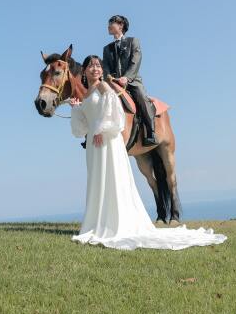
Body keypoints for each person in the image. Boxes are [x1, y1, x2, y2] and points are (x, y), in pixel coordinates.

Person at [68, 55, 226, 250]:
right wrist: (76, 108)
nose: (96, 68)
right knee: (98, 180)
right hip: (94, 144)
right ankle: (100, 222)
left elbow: (114, 107)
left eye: (98, 65)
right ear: (84, 71)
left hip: (111, 122)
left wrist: (102, 127)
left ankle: (150, 130)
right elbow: (83, 124)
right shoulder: (88, 92)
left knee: (141, 100)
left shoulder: (103, 86)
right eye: (91, 66)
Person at [102, 15, 157, 146]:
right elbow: (105, 66)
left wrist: (126, 77)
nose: (108, 26)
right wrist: (108, 77)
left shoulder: (133, 41)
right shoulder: (106, 48)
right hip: (113, 82)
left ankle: (150, 132)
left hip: (132, 81)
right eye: (108, 23)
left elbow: (135, 61)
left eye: (111, 23)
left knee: (142, 98)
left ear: (121, 26)